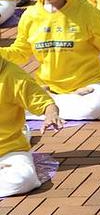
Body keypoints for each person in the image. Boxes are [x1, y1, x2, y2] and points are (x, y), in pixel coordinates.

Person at [0, 56, 61, 197]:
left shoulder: (14, 75)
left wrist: (51, 114)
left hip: (8, 151)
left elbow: (45, 103)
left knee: (22, 180)